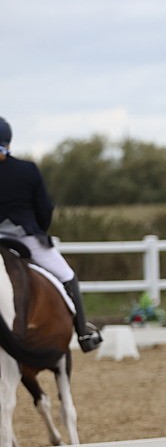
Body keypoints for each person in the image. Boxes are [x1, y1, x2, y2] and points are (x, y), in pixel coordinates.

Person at [0, 116, 103, 351]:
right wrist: (39, 230)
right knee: (67, 277)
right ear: (9, 141)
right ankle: (84, 335)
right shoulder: (27, 170)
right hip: (25, 238)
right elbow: (45, 209)